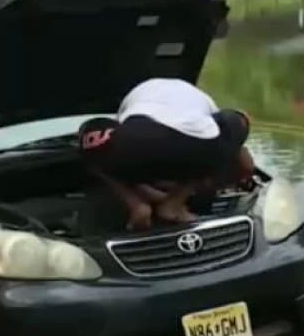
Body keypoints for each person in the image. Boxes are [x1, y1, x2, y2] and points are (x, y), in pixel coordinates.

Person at [79, 78, 254, 231]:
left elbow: (123, 158)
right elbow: (246, 166)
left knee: (96, 150)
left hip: (140, 141)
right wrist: (207, 181)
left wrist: (142, 189)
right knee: (233, 126)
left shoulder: (136, 98)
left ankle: (137, 206)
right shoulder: (206, 106)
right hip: (200, 149)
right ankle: (174, 204)